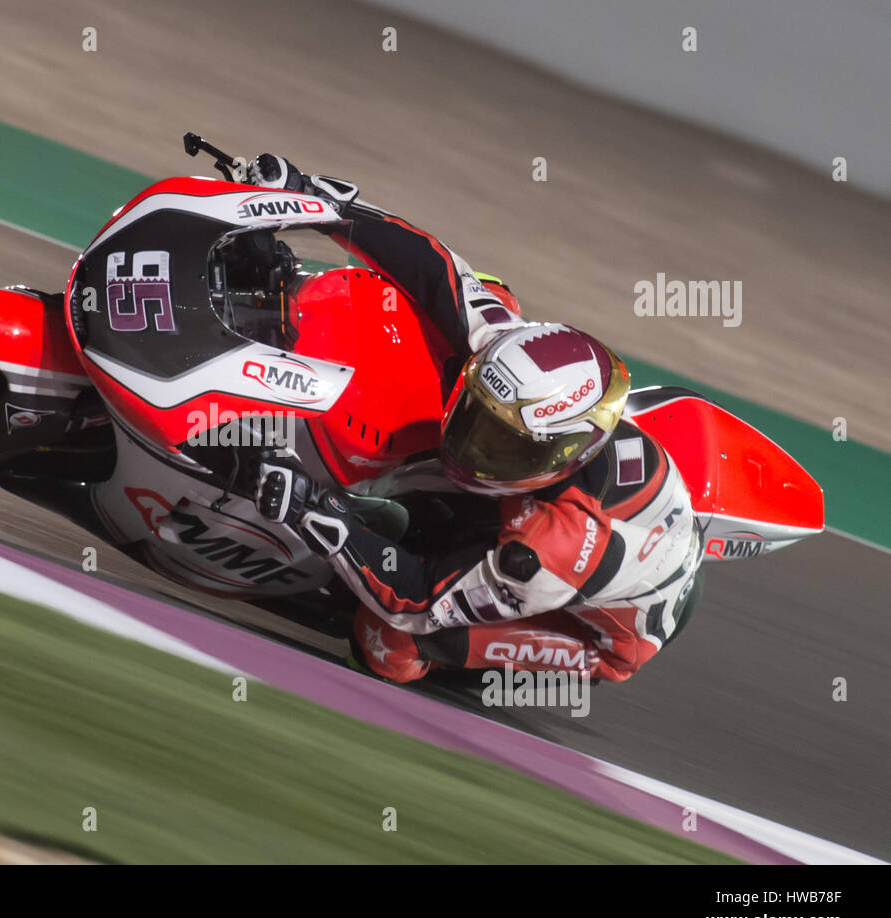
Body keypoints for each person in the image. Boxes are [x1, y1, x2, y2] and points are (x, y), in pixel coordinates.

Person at [246, 154, 705, 684]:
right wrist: (317, 202)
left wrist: (315, 513)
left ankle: (351, 702)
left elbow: (415, 598)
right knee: (487, 287)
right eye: (478, 420)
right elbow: (431, 266)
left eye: (502, 445)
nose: (474, 448)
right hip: (608, 513)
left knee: (388, 639)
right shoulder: (505, 348)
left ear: (558, 455)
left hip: (607, 630)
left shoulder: (546, 553)